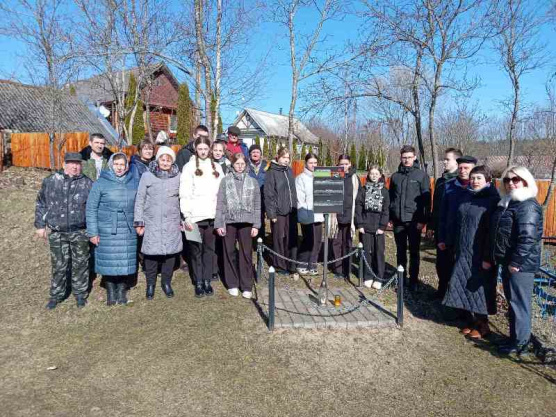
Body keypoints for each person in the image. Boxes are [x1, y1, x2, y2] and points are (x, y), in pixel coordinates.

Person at [490, 166, 543, 356]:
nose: (511, 183)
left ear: (526, 181)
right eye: (507, 180)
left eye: (516, 179)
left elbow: (527, 238)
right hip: (509, 262)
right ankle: (514, 339)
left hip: (520, 266)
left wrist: (516, 262)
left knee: (520, 305)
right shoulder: (510, 203)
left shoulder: (527, 205)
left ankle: (521, 345)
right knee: (513, 303)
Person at [442, 166, 500, 339]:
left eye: (479, 178)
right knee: (465, 285)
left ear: (488, 181)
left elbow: (493, 232)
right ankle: (472, 321)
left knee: (480, 289)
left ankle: (483, 325)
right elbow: (459, 223)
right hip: (464, 250)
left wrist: (488, 257)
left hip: (481, 253)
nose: (474, 181)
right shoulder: (467, 197)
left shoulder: (493, 200)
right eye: (473, 178)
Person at [35, 153, 93, 309]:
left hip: (80, 231)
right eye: (71, 163)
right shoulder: (51, 181)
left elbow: (93, 209)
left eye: (77, 164)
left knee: (80, 264)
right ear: (64, 164)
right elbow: (41, 203)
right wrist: (40, 225)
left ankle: (80, 294)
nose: (75, 167)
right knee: (59, 265)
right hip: (58, 231)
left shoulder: (87, 183)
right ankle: (56, 295)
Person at [86, 153, 139, 306]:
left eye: (122, 164)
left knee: (124, 260)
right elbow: (91, 209)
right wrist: (93, 232)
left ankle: (121, 291)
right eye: (116, 164)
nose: (119, 167)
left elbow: (140, 204)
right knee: (108, 260)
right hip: (107, 228)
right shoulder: (101, 183)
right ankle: (111, 291)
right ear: (111, 165)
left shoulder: (133, 182)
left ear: (127, 166)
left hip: (127, 228)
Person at [134, 146, 182, 300]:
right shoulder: (147, 176)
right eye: (163, 159)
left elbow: (183, 198)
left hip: (172, 221)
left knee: (170, 254)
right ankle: (150, 284)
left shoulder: (178, 176)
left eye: (168, 160)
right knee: (151, 255)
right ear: (158, 159)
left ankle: (166, 283)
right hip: (152, 221)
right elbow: (140, 199)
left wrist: (183, 219)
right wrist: (139, 221)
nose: (165, 162)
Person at [180, 136, 224, 298]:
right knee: (195, 251)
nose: (203, 152)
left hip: (211, 216)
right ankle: (198, 282)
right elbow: (184, 193)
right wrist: (187, 217)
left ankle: (206, 280)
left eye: (206, 149)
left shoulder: (217, 168)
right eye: (200, 149)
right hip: (193, 217)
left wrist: (220, 216)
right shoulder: (188, 167)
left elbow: (221, 194)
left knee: (209, 250)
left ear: (210, 149)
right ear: (196, 149)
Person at [215, 153, 261, 298]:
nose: (240, 167)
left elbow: (257, 205)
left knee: (246, 253)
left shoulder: (253, 182)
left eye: (242, 164)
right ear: (232, 165)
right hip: (229, 221)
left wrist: (256, 225)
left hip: (247, 222)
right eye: (237, 164)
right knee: (229, 252)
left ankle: (246, 285)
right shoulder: (225, 181)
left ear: (246, 165)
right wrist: (219, 224)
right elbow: (221, 203)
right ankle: (232, 283)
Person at [388, 145, 430, 291]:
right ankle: (401, 279)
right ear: (401, 158)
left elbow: (426, 201)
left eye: (409, 157)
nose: (406, 160)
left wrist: (423, 221)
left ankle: (413, 281)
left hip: (414, 221)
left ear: (414, 157)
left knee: (414, 252)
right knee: (400, 252)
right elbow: (391, 198)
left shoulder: (421, 176)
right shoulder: (395, 176)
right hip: (398, 221)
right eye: (404, 157)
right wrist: (390, 216)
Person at [436, 155, 476, 299]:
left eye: (466, 168)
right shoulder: (449, 186)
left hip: (467, 239)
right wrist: (441, 237)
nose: (463, 171)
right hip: (448, 235)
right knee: (443, 268)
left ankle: (458, 301)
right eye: (460, 168)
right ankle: (442, 293)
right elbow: (442, 213)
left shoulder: (477, 187)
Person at [355, 165, 389, 289]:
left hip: (379, 227)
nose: (374, 176)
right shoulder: (363, 190)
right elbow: (358, 208)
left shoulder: (384, 191)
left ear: (380, 175)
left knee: (378, 252)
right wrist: (360, 224)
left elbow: (386, 210)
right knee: (366, 252)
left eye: (376, 174)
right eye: (371, 173)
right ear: (368, 175)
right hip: (365, 226)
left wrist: (382, 226)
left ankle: (379, 277)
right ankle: (368, 276)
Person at [264, 147, 297, 275]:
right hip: (278, 212)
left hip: (291, 210)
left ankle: (291, 264)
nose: (286, 160)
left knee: (291, 238)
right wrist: (272, 214)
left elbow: (292, 191)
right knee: (278, 238)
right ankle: (279, 265)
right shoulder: (271, 172)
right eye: (284, 157)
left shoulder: (289, 170)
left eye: (288, 158)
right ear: (278, 157)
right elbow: (269, 194)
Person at [330, 154, 360, 279]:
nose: (343, 166)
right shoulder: (334, 175)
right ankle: (338, 269)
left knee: (347, 243)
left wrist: (356, 218)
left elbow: (358, 199)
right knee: (336, 243)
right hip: (336, 216)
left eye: (346, 164)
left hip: (349, 216)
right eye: (341, 164)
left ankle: (347, 269)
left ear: (350, 164)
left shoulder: (355, 178)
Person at [296, 153, 323, 276]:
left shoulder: (320, 176)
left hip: (319, 213)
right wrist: (304, 211)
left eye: (315, 163)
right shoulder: (301, 178)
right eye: (311, 162)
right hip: (307, 213)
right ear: (306, 163)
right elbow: (299, 198)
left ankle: (312, 264)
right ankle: (302, 263)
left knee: (317, 241)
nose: (313, 165)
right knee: (308, 239)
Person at [248, 143, 269, 239]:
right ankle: (249, 241)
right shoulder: (246, 165)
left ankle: (260, 242)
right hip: (249, 198)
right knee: (249, 220)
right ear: (250, 154)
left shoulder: (266, 165)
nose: (255, 154)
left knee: (260, 219)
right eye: (253, 152)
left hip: (262, 198)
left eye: (257, 152)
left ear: (260, 154)